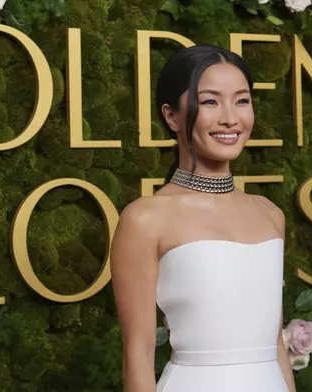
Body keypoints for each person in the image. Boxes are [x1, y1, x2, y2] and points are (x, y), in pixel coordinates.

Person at [110, 44, 296, 392]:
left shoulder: (270, 215)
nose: (230, 118)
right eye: (210, 101)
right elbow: (138, 353)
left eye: (242, 100)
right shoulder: (145, 219)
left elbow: (276, 345)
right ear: (171, 116)